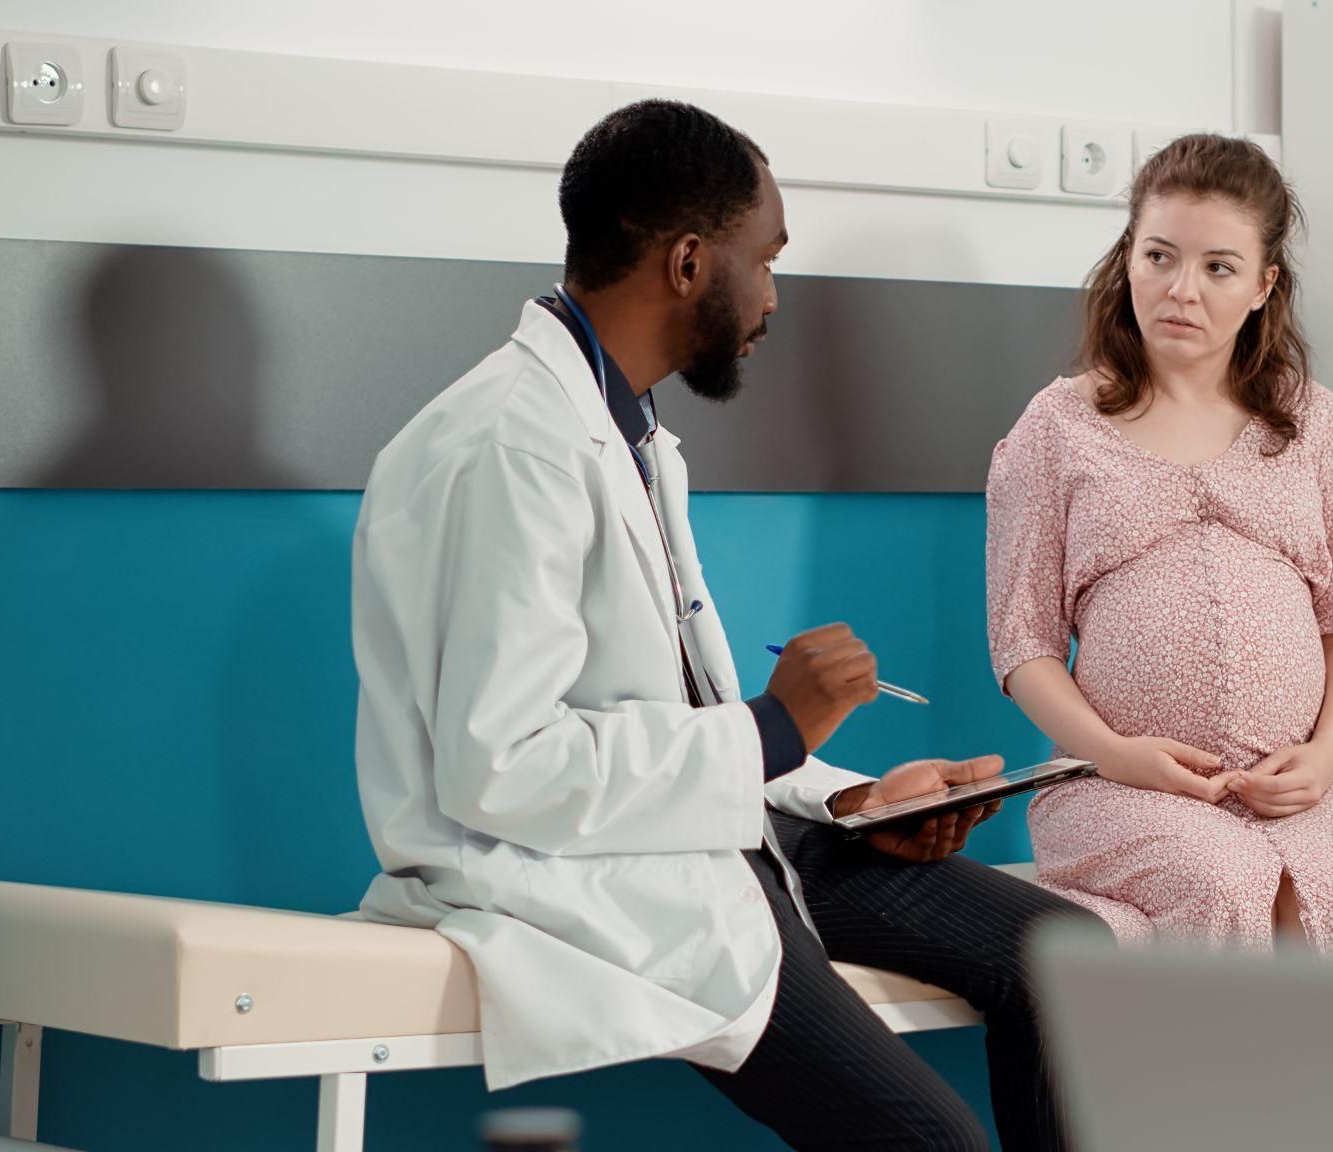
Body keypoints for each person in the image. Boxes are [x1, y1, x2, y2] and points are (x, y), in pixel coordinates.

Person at [351, 100, 1093, 1152]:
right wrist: (777, 726)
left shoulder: (624, 429)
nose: (774, 296)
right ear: (691, 261)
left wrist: (850, 798)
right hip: (571, 873)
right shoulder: (515, 448)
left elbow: (665, 717)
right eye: (766, 259)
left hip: (683, 833)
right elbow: (502, 771)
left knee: (1063, 958)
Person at [985, 134, 1333, 959]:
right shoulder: (1055, 429)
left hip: (1298, 789)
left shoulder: (1318, 426)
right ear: (1128, 259)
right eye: (1158, 256)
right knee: (1224, 879)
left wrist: (1326, 758)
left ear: (1264, 286)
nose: (1180, 290)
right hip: (1111, 787)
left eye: (1218, 267)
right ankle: (1205, 1092)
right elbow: (1022, 644)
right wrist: (1114, 755)